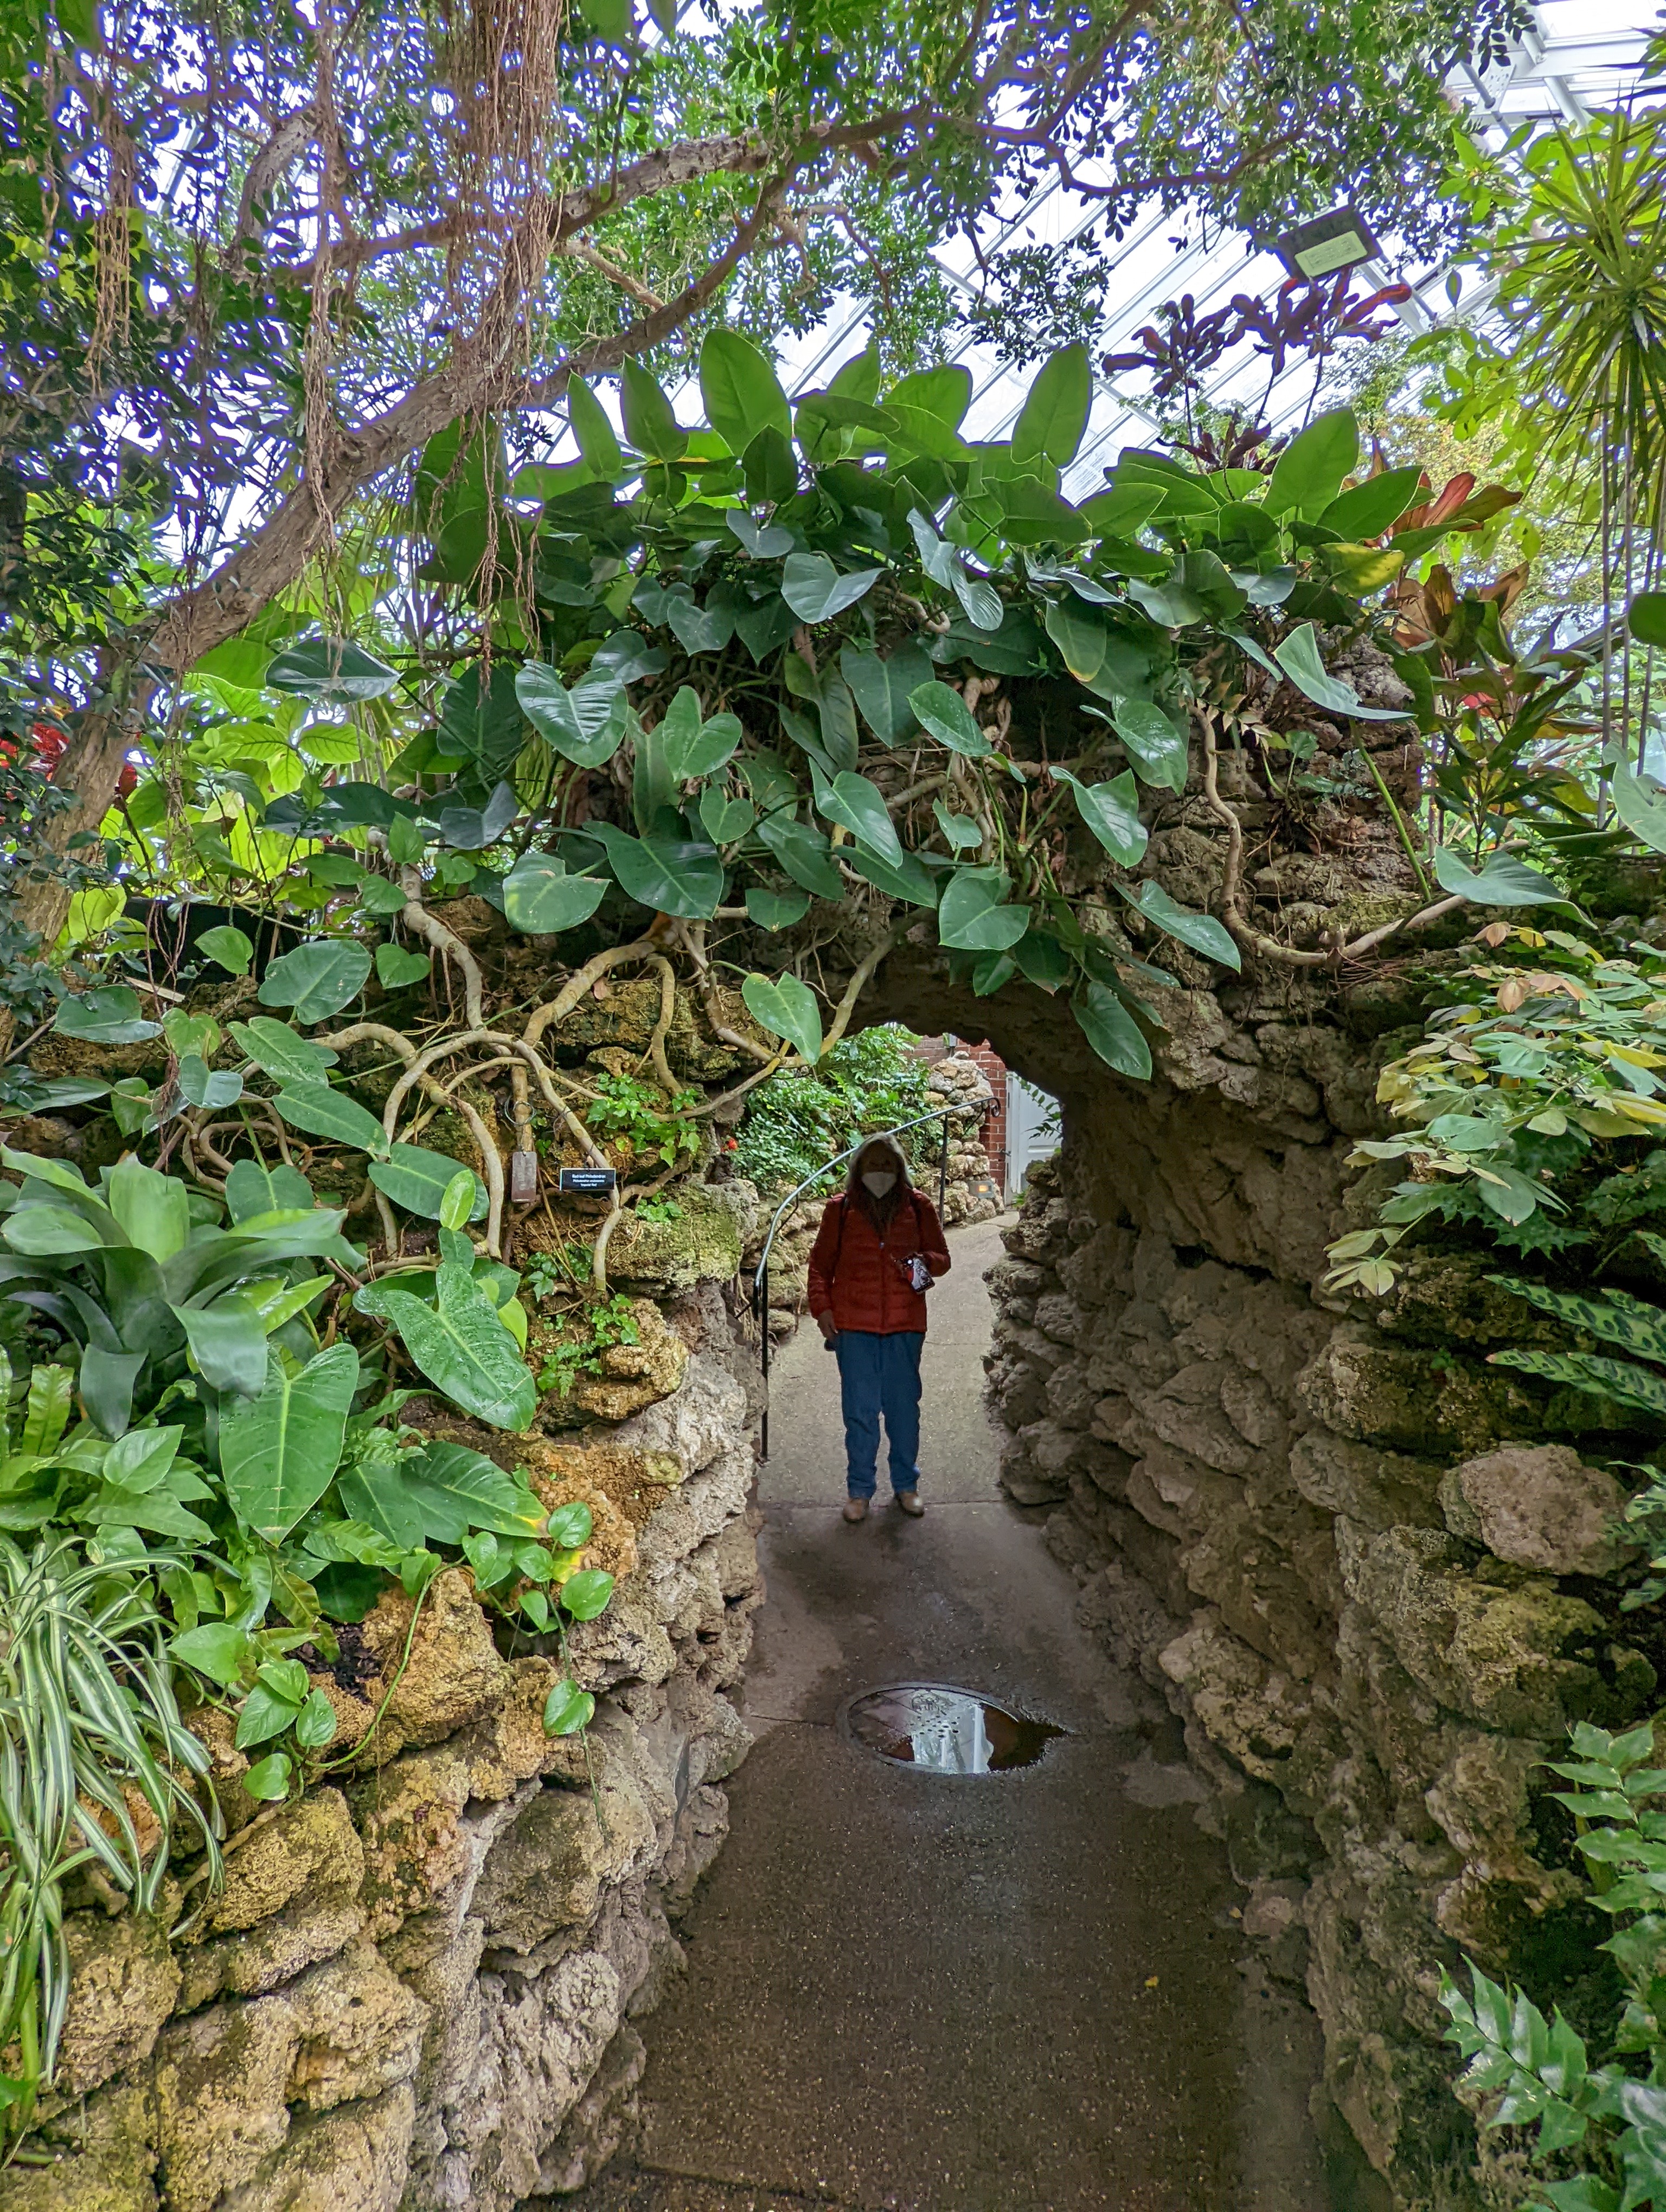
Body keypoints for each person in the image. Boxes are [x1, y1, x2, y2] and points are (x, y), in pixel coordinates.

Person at [806, 1135, 952, 1523]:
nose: (880, 1172)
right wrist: (822, 1309)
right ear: (858, 1169)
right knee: (860, 1412)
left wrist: (921, 1261)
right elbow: (820, 1265)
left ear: (899, 1168)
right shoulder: (840, 1210)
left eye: (887, 1164)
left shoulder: (918, 1206)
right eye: (873, 1164)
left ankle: (907, 1485)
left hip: (905, 1325)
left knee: (904, 1410)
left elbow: (943, 1259)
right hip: (854, 1327)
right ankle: (860, 1491)